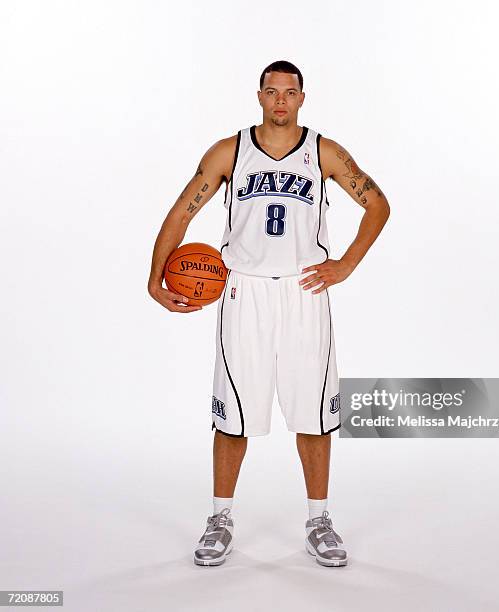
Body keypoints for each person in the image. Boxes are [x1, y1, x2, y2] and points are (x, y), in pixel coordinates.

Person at [147, 60, 390, 567]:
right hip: (244, 291)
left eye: (290, 92)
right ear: (259, 95)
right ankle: (220, 518)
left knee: (315, 415)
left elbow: (378, 204)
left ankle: (319, 521)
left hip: (306, 289)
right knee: (232, 417)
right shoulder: (228, 151)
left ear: (303, 97)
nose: (281, 100)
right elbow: (181, 213)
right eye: (272, 91)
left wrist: (344, 264)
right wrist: (155, 276)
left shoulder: (324, 151)